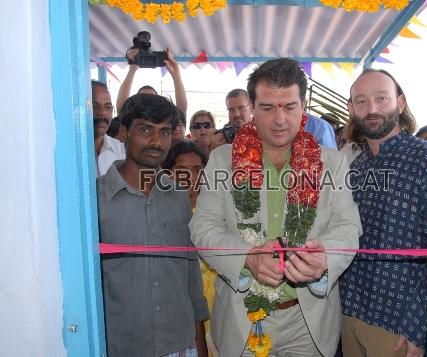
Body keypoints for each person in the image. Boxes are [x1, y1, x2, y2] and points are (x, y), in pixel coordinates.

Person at [190, 58, 362, 357]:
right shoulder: (222, 160)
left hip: (308, 321)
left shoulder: (332, 162)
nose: (280, 119)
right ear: (252, 108)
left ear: (303, 106)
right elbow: (203, 226)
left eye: (290, 107)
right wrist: (247, 258)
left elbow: (348, 227)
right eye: (268, 107)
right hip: (242, 316)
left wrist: (324, 260)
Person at [98, 93, 209, 357]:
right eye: (145, 129)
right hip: (121, 346)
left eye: (165, 132)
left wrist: (199, 343)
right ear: (124, 132)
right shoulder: (95, 199)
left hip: (180, 345)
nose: (156, 141)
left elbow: (190, 272)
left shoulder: (179, 196)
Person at [340, 69, 427, 357]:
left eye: (381, 98)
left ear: (401, 102)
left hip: (397, 326)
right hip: (350, 313)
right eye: (361, 101)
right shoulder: (356, 167)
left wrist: (417, 326)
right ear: (351, 109)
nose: (372, 109)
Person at [162, 141, 218, 357]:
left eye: (197, 170)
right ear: (167, 175)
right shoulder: (161, 218)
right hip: (180, 310)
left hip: (217, 306)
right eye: (181, 171)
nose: (190, 177)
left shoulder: (217, 215)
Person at [115, 48, 188, 114]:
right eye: (142, 98)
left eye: (152, 98)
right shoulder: (131, 122)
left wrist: (176, 75)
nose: (148, 101)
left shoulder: (164, 121)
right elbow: (121, 109)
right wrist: (132, 69)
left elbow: (181, 110)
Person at [92, 80, 125, 176]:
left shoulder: (121, 150)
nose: (102, 113)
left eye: (108, 107)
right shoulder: (71, 151)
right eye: (94, 106)